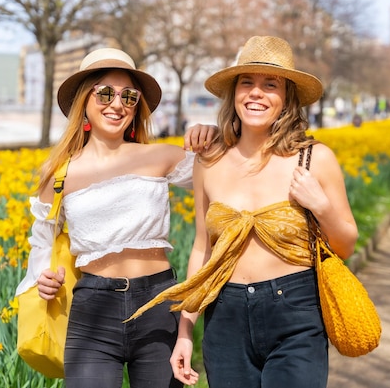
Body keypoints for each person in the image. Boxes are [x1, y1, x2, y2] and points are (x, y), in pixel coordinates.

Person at [128, 36, 359, 388]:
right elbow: (203, 252)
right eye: (246, 83)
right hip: (226, 316)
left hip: (296, 312)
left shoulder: (315, 159)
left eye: (271, 84)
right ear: (233, 93)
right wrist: (186, 331)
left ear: (287, 97)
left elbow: (345, 246)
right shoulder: (210, 160)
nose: (256, 93)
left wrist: (321, 206)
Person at [15, 47, 216, 388]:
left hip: (157, 304)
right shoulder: (60, 173)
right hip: (92, 309)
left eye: (129, 96)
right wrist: (42, 277)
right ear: (84, 101)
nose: (117, 103)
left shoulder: (161, 156)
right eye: (105, 93)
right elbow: (42, 240)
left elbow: (223, 182)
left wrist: (212, 138)